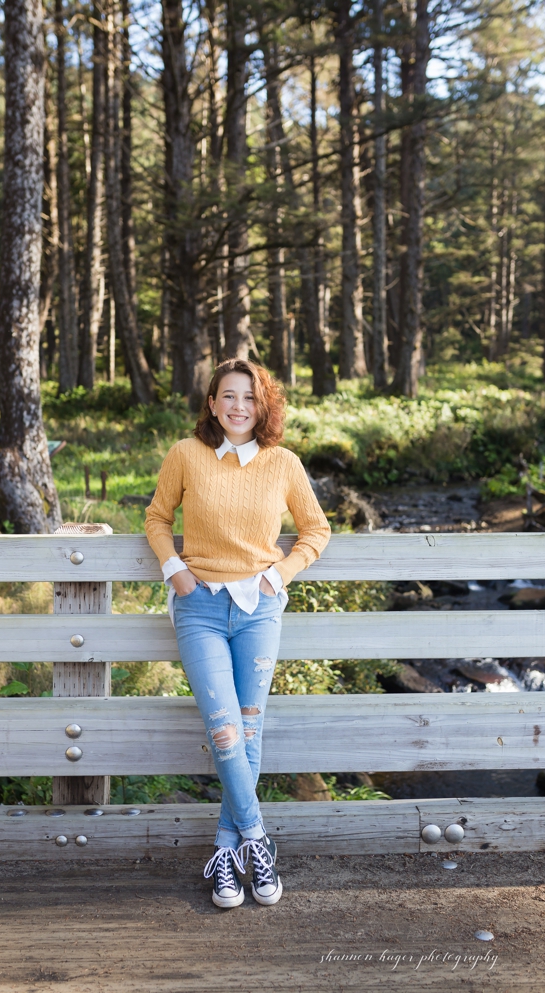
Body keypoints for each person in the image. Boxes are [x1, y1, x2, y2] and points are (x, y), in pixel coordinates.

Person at [145, 358, 332, 909]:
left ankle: (227, 853)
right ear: (211, 403)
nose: (238, 407)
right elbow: (157, 517)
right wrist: (173, 570)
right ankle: (257, 838)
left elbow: (316, 529)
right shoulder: (186, 455)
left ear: (263, 406)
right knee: (224, 729)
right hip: (199, 607)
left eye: (249, 398)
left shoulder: (283, 463)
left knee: (250, 734)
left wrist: (278, 574)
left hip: (259, 610)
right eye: (228, 397)